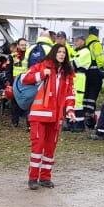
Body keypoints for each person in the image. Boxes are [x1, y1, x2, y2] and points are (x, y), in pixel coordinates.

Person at [21, 43, 75, 189]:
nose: (62, 54)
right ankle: (33, 178)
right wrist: (41, 74)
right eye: (59, 52)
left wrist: (70, 110)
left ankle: (45, 177)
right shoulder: (42, 65)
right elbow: (24, 78)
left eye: (64, 52)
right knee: (38, 147)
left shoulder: (67, 73)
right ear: (53, 53)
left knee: (50, 148)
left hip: (56, 117)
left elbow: (70, 93)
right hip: (39, 115)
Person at [82, 25, 104, 128]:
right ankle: (90, 116)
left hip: (86, 72)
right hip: (95, 71)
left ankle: (84, 115)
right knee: (92, 94)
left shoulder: (85, 43)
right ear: (96, 33)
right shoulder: (96, 44)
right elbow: (100, 59)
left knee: (86, 94)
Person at [68, 35, 92, 132]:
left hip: (79, 77)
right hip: (75, 77)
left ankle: (79, 124)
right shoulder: (78, 51)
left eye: (77, 41)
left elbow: (74, 64)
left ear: (82, 41)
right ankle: (73, 122)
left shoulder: (85, 52)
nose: (75, 43)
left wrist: (69, 62)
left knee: (78, 101)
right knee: (73, 99)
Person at [10, 38, 29, 129]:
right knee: (14, 102)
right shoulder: (13, 56)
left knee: (28, 102)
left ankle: (28, 123)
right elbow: (8, 70)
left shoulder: (29, 55)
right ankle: (15, 121)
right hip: (15, 82)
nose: (23, 47)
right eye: (22, 45)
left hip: (27, 82)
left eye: (25, 45)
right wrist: (9, 82)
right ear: (17, 45)